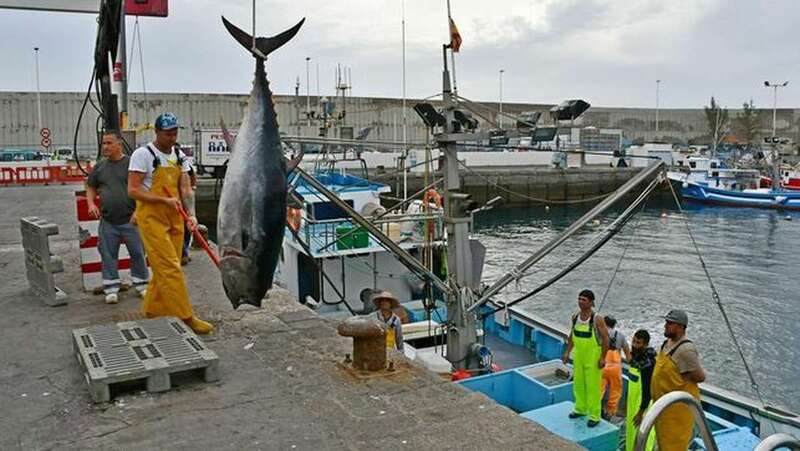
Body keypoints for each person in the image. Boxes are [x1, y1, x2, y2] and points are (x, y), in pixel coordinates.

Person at [127, 113, 213, 334]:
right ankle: (187, 317)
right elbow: (133, 190)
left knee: (165, 268)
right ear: (156, 132)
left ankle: (152, 310)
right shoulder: (143, 155)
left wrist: (192, 216)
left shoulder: (179, 155)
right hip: (152, 218)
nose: (172, 137)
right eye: (168, 133)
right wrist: (162, 199)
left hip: (175, 217)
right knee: (171, 269)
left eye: (175, 132)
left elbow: (185, 189)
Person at [86, 132, 149, 304]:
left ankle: (142, 284)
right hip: (108, 221)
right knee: (108, 254)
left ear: (119, 144)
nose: (104, 146)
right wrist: (91, 204)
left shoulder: (131, 164)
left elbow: (143, 187)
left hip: (131, 220)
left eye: (108, 143)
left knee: (137, 253)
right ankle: (111, 288)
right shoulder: (99, 167)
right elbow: (91, 186)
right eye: (103, 143)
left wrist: (138, 210)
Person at [652, 309, 706, 451]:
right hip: (663, 409)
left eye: (670, 323)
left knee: (674, 446)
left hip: (676, 413)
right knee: (662, 443)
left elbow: (700, 377)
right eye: (666, 322)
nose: (665, 325)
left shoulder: (686, 350)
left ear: (681, 327)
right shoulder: (667, 343)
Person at [562, 289, 609, 427]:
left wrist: (603, 357)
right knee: (579, 384)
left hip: (593, 357)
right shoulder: (575, 317)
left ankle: (595, 415)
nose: (580, 302)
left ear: (591, 302)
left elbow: (606, 338)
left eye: (584, 299)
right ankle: (580, 409)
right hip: (579, 356)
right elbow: (572, 335)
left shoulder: (597, 319)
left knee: (593, 386)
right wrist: (567, 352)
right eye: (579, 299)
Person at [625, 329, 657, 451]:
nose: (634, 344)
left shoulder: (647, 363)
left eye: (638, 343)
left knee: (645, 434)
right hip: (633, 401)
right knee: (631, 431)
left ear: (645, 344)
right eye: (633, 341)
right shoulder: (636, 357)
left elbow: (647, 390)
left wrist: (641, 412)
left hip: (644, 403)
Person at [600, 315, 632, 420]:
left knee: (598, 390)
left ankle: (596, 410)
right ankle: (610, 412)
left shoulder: (600, 334)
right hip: (615, 368)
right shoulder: (621, 336)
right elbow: (628, 354)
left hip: (602, 366)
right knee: (615, 391)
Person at [181, 164, 197, 266]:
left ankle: (184, 252)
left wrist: (193, 187)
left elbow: (193, 176)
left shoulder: (186, 166)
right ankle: (183, 253)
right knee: (182, 232)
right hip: (177, 205)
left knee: (186, 232)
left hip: (184, 206)